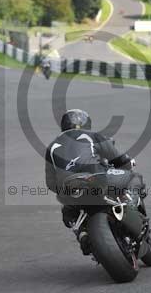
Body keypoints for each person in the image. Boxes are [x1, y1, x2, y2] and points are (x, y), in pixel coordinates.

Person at [45, 109, 141, 254]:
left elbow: (51, 183)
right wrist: (127, 163)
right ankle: (131, 204)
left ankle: (82, 234)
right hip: (96, 179)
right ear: (86, 124)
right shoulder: (91, 136)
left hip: (71, 190)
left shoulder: (51, 147)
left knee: (68, 213)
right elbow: (116, 156)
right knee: (135, 177)